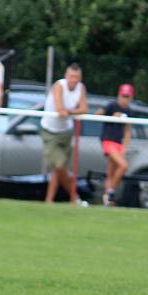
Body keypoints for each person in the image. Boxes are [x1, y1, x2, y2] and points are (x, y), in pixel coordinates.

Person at [40, 63, 88, 204]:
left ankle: (49, 200)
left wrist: (69, 112)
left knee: (58, 169)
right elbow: (60, 109)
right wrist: (67, 111)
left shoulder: (81, 88)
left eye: (77, 77)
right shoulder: (59, 86)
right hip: (50, 131)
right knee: (60, 166)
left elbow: (84, 108)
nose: (74, 80)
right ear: (66, 76)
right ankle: (74, 197)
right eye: (71, 76)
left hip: (66, 131)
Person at [97, 84, 134, 206]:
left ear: (131, 97)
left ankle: (107, 201)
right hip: (108, 140)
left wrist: (125, 146)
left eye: (127, 96)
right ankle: (110, 192)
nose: (125, 99)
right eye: (123, 96)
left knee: (111, 172)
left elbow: (128, 130)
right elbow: (97, 115)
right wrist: (111, 117)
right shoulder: (112, 105)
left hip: (118, 142)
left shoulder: (128, 110)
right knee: (123, 166)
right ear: (119, 95)